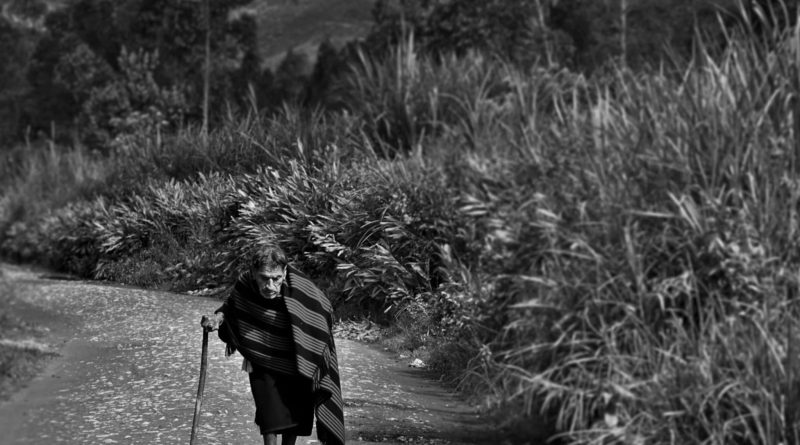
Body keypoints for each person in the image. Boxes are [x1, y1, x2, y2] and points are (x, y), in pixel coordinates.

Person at [200, 245, 345, 445]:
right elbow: (230, 307)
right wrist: (216, 320)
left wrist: (313, 347)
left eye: (276, 279)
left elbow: (322, 311)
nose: (270, 285)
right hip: (262, 361)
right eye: (264, 278)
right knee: (270, 419)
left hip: (297, 362)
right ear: (253, 273)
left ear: (284, 272)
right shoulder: (245, 284)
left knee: (294, 419)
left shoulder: (300, 288)